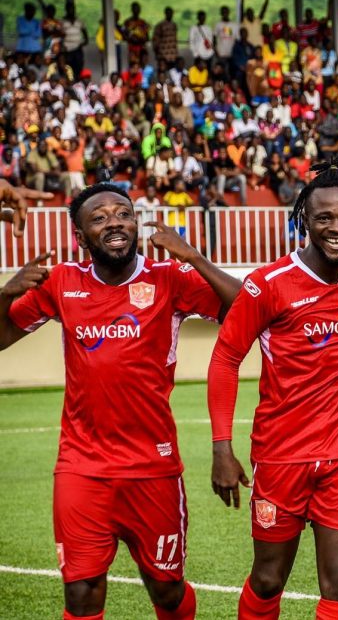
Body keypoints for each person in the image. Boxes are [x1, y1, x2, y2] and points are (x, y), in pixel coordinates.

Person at [0, 183, 241, 620]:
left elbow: (248, 309)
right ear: (80, 236)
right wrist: (4, 295)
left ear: (135, 224)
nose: (114, 222)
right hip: (82, 467)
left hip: (153, 467)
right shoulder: (62, 282)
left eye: (123, 214)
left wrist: (194, 258)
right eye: (99, 217)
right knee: (81, 591)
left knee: (166, 590)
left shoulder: (168, 278)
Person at [207, 156, 338, 619]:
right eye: (324, 218)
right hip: (281, 455)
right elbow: (225, 359)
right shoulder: (267, 285)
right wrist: (222, 447)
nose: (337, 228)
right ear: (305, 220)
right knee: (268, 578)